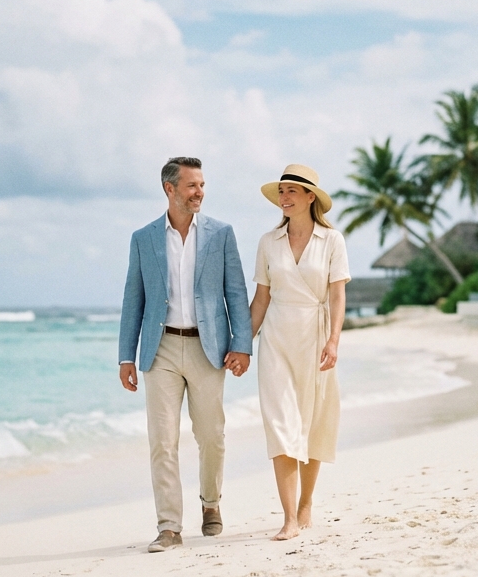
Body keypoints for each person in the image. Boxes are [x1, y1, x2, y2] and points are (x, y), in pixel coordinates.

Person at [118, 157, 253, 553]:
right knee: (162, 440)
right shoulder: (143, 238)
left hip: (207, 347)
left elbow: (236, 292)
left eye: (202, 185)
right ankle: (169, 527)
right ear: (170, 189)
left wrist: (241, 344)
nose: (199, 193)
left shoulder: (221, 234)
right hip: (159, 350)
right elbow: (133, 299)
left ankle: (211, 503)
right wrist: (126, 355)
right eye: (192, 185)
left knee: (211, 436)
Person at [250, 164, 350, 541]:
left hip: (315, 334)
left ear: (311, 197)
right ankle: (289, 517)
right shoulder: (267, 242)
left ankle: (307, 502)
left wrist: (334, 340)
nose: (285, 197)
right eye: (282, 191)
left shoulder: (332, 241)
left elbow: (338, 295)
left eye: (293, 190)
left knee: (313, 422)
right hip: (276, 337)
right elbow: (261, 299)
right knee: (281, 425)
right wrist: (243, 344)